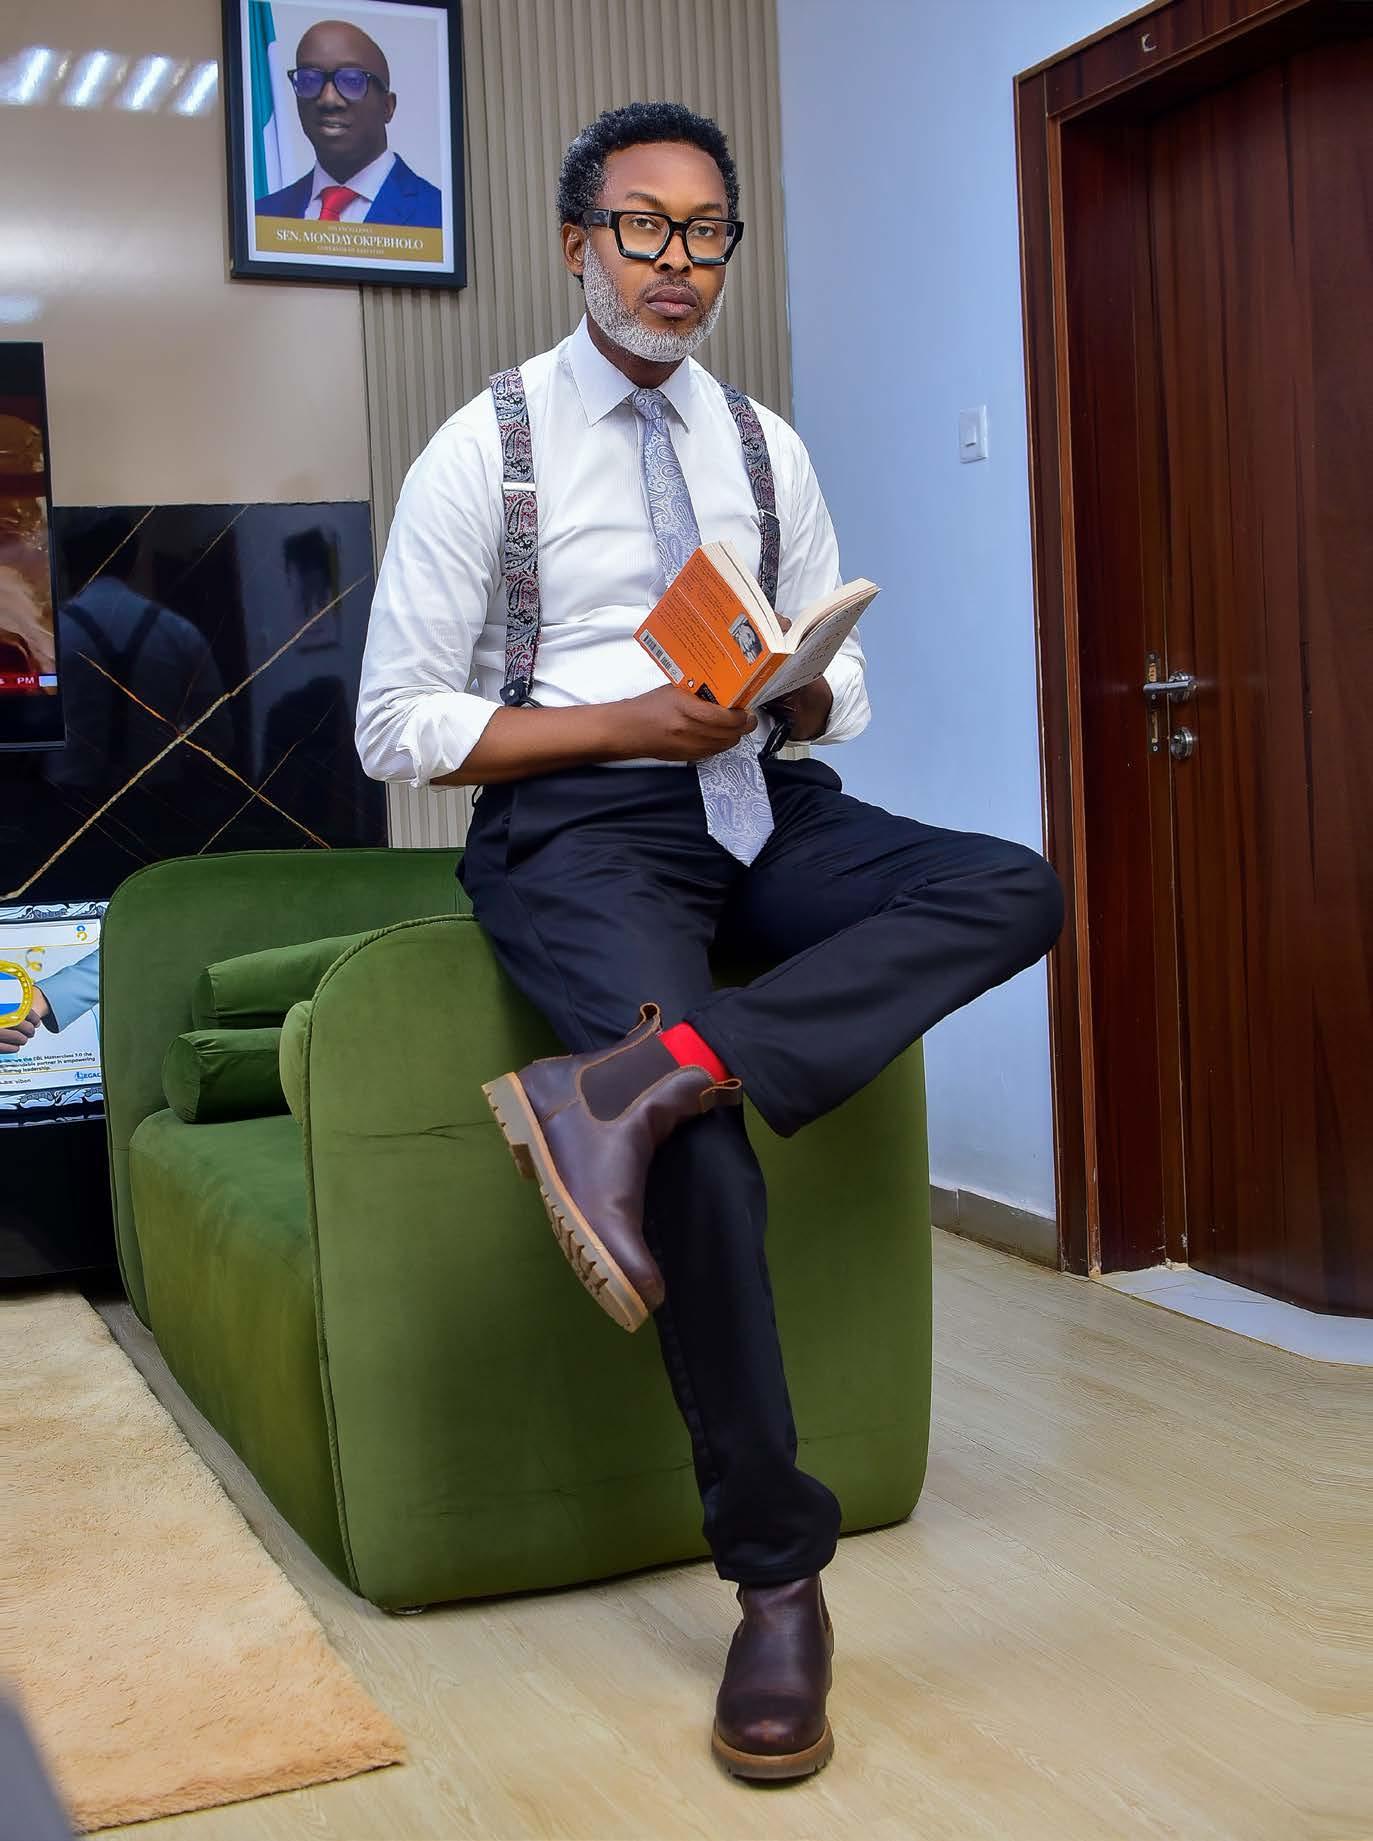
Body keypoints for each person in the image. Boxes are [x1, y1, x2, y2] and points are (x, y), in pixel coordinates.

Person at [356, 102, 1064, 1783]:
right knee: (710, 1163)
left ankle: (645, 1076)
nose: (674, 263)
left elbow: (841, 679)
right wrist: (625, 723)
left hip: (758, 800)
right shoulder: (485, 445)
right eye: (641, 227)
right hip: (583, 824)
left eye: (704, 233)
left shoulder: (763, 446)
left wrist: (796, 691)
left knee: (1011, 885)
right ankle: (777, 1580)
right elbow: (398, 724)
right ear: (576, 244)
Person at [254, 19, 442, 229]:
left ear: (387, 106)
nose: (328, 100)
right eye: (309, 80)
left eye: (352, 81)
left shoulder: (440, 215)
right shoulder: (261, 217)